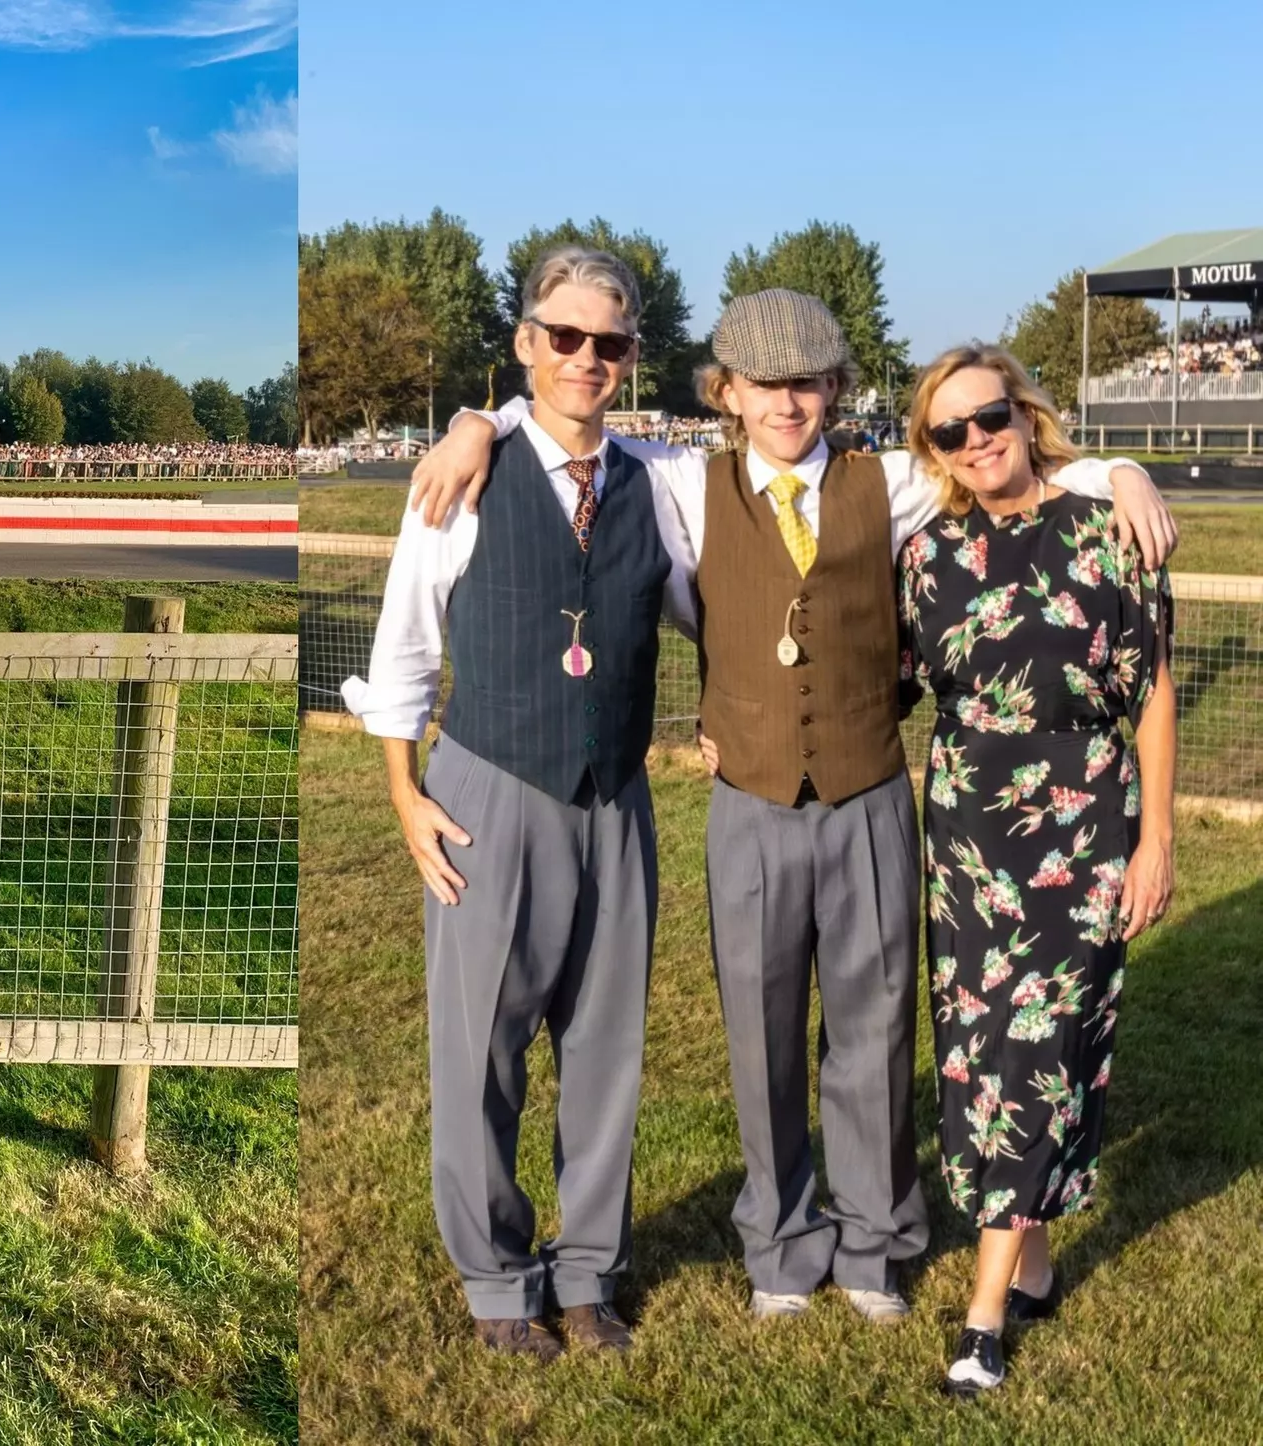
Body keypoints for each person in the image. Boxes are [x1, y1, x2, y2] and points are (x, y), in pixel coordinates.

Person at [411, 290, 1176, 1325]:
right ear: (724, 393)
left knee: (872, 1026)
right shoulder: (682, 482)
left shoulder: (892, 481)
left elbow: (1004, 455)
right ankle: (779, 1239)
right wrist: (478, 421)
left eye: (808, 382)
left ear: (833, 391)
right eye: (763, 384)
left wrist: (1118, 468)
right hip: (749, 802)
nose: (786, 403)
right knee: (760, 1033)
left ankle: (873, 1241)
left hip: (867, 794)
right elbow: (567, 422)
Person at [343, 247, 695, 1360]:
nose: (586, 359)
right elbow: (402, 649)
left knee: (606, 1050)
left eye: (610, 343)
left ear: (632, 356)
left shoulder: (662, 482)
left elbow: (826, 492)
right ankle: (496, 1278)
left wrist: (1097, 476)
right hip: (488, 784)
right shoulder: (464, 475)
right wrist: (403, 794)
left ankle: (587, 1273)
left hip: (616, 794)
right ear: (525, 344)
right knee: (479, 1047)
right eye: (564, 337)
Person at [899, 346, 1174, 1397]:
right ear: (933, 449)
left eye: (991, 415)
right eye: (951, 431)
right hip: (966, 830)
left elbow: (1149, 692)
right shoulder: (926, 555)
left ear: (1024, 410)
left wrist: (1155, 838)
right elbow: (895, 678)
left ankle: (980, 1317)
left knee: (1036, 1046)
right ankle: (1038, 1257)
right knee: (974, 1047)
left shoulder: (1110, 528)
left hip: (1082, 823)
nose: (978, 440)